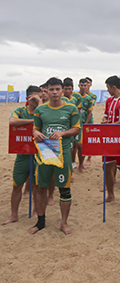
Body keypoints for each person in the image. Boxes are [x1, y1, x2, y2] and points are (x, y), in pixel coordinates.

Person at [30, 77, 80, 234]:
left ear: (62, 90)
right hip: (45, 153)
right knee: (41, 187)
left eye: (58, 89)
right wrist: (37, 133)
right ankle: (40, 222)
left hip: (63, 154)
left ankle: (63, 223)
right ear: (47, 91)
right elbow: (35, 129)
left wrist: (63, 133)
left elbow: (76, 129)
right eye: (51, 89)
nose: (55, 92)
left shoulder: (71, 108)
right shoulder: (40, 110)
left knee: (64, 189)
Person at [3, 86, 43, 225]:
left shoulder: (43, 110)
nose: (40, 98)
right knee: (16, 185)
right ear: (28, 98)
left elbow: (45, 118)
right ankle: (14, 215)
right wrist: (33, 122)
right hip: (22, 155)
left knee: (36, 186)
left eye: (41, 96)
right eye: (36, 96)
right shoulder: (20, 111)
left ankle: (36, 211)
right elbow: (12, 121)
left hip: (38, 154)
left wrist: (39, 104)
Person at [100, 75, 120, 209]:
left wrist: (111, 125)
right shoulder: (109, 100)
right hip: (109, 139)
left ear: (113, 87)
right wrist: (105, 122)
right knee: (107, 167)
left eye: (108, 88)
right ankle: (111, 195)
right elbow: (106, 115)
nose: (107, 90)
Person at [74, 78, 94, 173]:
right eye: (81, 85)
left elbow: (89, 112)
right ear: (78, 85)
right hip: (75, 125)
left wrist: (86, 123)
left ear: (88, 86)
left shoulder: (89, 98)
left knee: (82, 145)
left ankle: (81, 164)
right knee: (74, 145)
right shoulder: (74, 96)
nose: (83, 87)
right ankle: (73, 163)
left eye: (85, 85)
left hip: (84, 125)